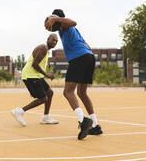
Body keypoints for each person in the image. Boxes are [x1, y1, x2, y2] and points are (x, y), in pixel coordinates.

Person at [44, 9, 103, 140]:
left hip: (79, 58)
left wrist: (56, 19)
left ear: (57, 18)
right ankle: (96, 126)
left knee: (68, 92)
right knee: (82, 93)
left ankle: (83, 121)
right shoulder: (67, 30)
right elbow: (86, 44)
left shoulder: (65, 24)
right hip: (88, 56)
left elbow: (74, 22)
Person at [11, 33, 59, 126]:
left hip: (36, 75)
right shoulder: (43, 48)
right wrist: (47, 74)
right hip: (30, 75)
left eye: (56, 41)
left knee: (50, 93)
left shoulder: (46, 50)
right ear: (48, 39)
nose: (55, 42)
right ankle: (20, 111)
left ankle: (46, 117)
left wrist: (45, 74)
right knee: (43, 98)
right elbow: (35, 64)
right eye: (53, 40)